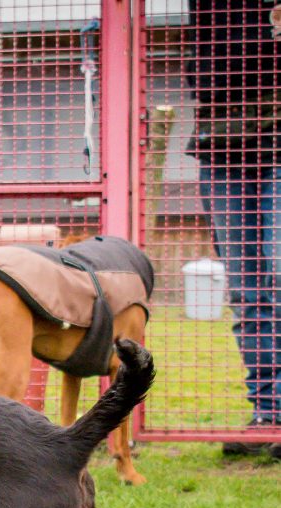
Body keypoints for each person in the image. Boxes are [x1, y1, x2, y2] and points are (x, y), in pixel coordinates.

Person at [186, 1, 281, 457]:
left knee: (279, 273)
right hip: (222, 141)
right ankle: (267, 414)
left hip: (274, 135)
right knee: (246, 290)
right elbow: (200, 75)